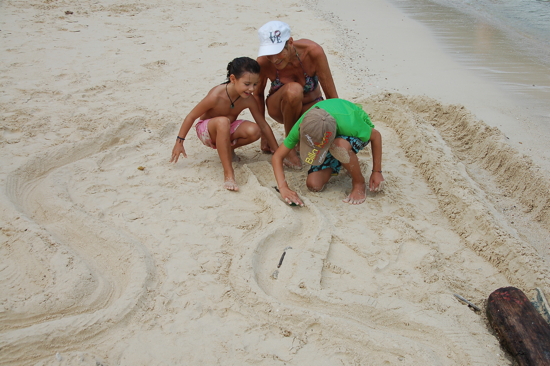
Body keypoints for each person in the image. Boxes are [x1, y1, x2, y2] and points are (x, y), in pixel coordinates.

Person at [170, 57, 279, 191]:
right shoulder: (217, 95)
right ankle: (228, 174)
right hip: (207, 131)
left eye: (255, 84)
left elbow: (263, 125)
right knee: (223, 121)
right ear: (233, 79)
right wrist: (179, 142)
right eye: (247, 84)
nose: (251, 89)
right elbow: (191, 116)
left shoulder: (248, 99)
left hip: (227, 129)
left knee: (255, 130)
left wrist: (278, 153)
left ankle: (227, 149)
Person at [255, 20, 338, 168]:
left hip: (310, 109)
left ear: (291, 42)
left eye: (278, 52)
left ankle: (300, 139)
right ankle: (290, 145)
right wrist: (264, 133)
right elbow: (257, 95)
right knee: (293, 90)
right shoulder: (263, 62)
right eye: (269, 53)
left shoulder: (313, 52)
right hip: (280, 108)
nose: (273, 59)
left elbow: (331, 95)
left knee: (324, 128)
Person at [272, 98, 385, 205]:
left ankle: (358, 182)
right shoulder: (304, 124)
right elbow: (277, 157)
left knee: (339, 146)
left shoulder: (350, 123)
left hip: (353, 129)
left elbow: (376, 136)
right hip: (330, 136)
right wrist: (283, 188)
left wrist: (376, 171)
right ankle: (342, 160)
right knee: (314, 184)